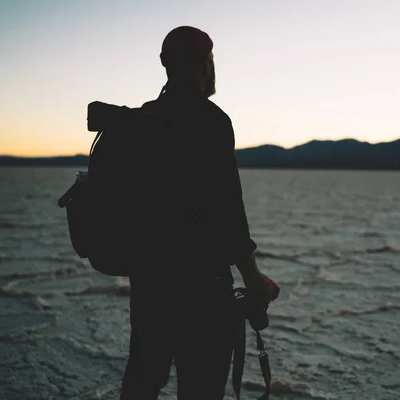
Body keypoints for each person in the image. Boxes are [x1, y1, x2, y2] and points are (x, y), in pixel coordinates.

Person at [91, 26, 280, 400]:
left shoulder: (143, 120)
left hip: (149, 287)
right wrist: (253, 278)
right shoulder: (211, 120)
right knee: (201, 391)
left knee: (142, 384)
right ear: (204, 62)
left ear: (166, 64)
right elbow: (228, 212)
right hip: (202, 292)